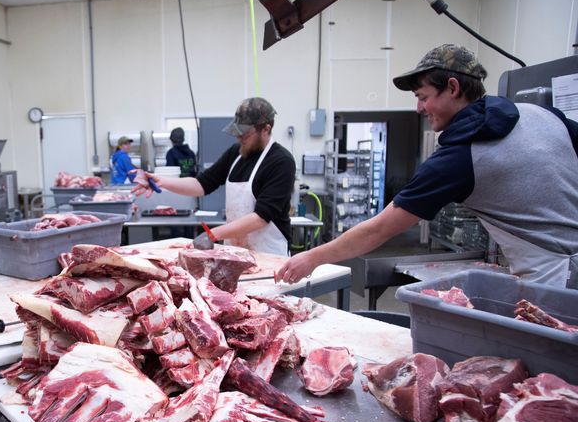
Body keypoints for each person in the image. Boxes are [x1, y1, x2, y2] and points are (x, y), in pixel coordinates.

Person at [277, 44, 578, 289]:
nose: (419, 109)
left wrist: (312, 257)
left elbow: (380, 229)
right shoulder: (541, 114)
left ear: (453, 87)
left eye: (423, 97)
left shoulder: (460, 156)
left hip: (554, 281)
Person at [133, 97, 296, 256]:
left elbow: (260, 218)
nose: (239, 138)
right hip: (234, 254)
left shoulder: (281, 161)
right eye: (237, 132)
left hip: (268, 255)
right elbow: (201, 184)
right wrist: (161, 181)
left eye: (244, 134)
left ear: (265, 129)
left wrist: (212, 234)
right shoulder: (236, 153)